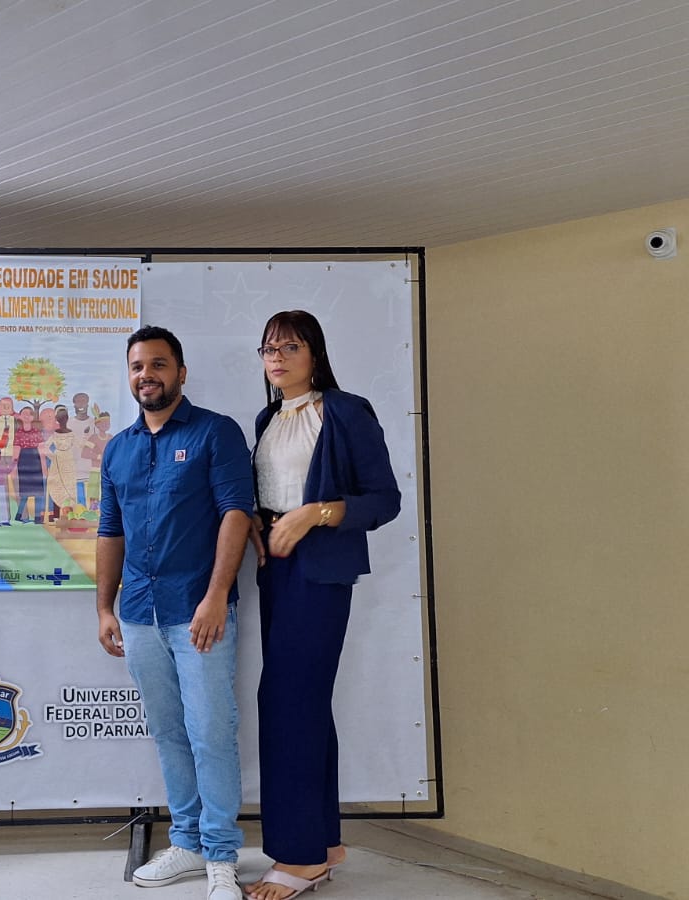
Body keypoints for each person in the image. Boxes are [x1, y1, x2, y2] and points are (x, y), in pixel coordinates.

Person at [243, 311, 401, 900]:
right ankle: (325, 842)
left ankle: (301, 857)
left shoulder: (346, 411)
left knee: (288, 703)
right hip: (277, 572)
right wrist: (259, 523)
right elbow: (271, 494)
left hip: (321, 571)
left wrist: (315, 514)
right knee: (303, 704)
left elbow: (384, 499)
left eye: (290, 347)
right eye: (269, 348)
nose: (277, 358)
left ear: (315, 353)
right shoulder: (267, 418)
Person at [95, 326, 254, 900]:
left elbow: (236, 513)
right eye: (137, 366)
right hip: (139, 613)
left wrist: (215, 596)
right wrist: (104, 607)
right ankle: (186, 842)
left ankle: (221, 855)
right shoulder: (118, 448)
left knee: (211, 732)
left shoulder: (216, 432)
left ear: (181, 372)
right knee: (168, 732)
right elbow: (110, 530)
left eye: (159, 364)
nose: (147, 375)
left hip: (199, 613)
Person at [44, 404, 80, 521]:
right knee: (57, 486)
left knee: (69, 487)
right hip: (57, 462)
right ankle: (56, 515)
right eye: (60, 417)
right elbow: (45, 447)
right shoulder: (55, 434)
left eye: (64, 417)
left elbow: (80, 444)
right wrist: (53, 457)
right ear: (57, 419)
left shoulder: (71, 433)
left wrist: (92, 446)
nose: (62, 419)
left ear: (67, 418)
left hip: (68, 462)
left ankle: (70, 516)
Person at [12, 405, 47, 523]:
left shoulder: (37, 432)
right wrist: (14, 468)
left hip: (35, 462)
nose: (27, 416)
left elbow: (42, 452)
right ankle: (19, 515)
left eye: (29, 414)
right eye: (24, 413)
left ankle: (37, 518)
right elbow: (16, 452)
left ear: (32, 417)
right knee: (24, 492)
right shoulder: (18, 433)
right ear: (20, 416)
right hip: (23, 462)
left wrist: (44, 468)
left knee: (38, 493)